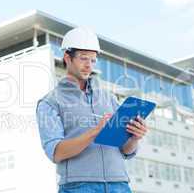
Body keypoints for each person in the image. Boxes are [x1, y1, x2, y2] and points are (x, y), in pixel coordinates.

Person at [36, 27, 148, 193]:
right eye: (83, 58)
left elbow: (125, 150)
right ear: (67, 57)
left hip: (119, 185)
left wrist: (134, 138)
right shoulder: (49, 103)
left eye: (93, 60)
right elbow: (56, 152)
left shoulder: (109, 98)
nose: (89, 65)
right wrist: (94, 132)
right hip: (79, 187)